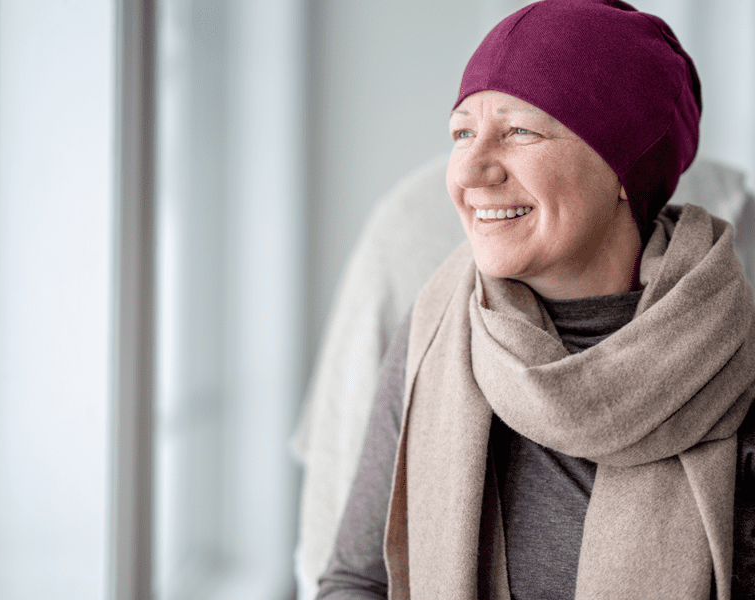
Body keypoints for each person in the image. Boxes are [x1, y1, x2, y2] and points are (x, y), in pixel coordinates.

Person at [314, 1, 755, 598]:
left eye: (519, 130)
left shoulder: (738, 362)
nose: (469, 170)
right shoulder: (436, 331)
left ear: (623, 169)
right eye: (462, 132)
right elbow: (356, 579)